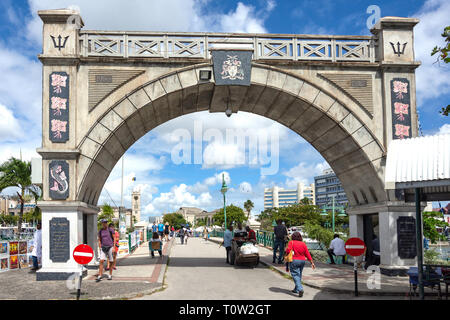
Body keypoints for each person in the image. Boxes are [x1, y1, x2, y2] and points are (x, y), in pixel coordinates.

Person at [285, 231, 315, 297]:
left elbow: (288, 250)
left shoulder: (291, 242)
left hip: (294, 260)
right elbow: (307, 253)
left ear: (293, 237)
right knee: (299, 275)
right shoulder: (303, 244)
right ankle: (296, 289)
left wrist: (287, 250)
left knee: (295, 275)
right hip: (302, 261)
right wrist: (312, 262)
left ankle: (300, 288)